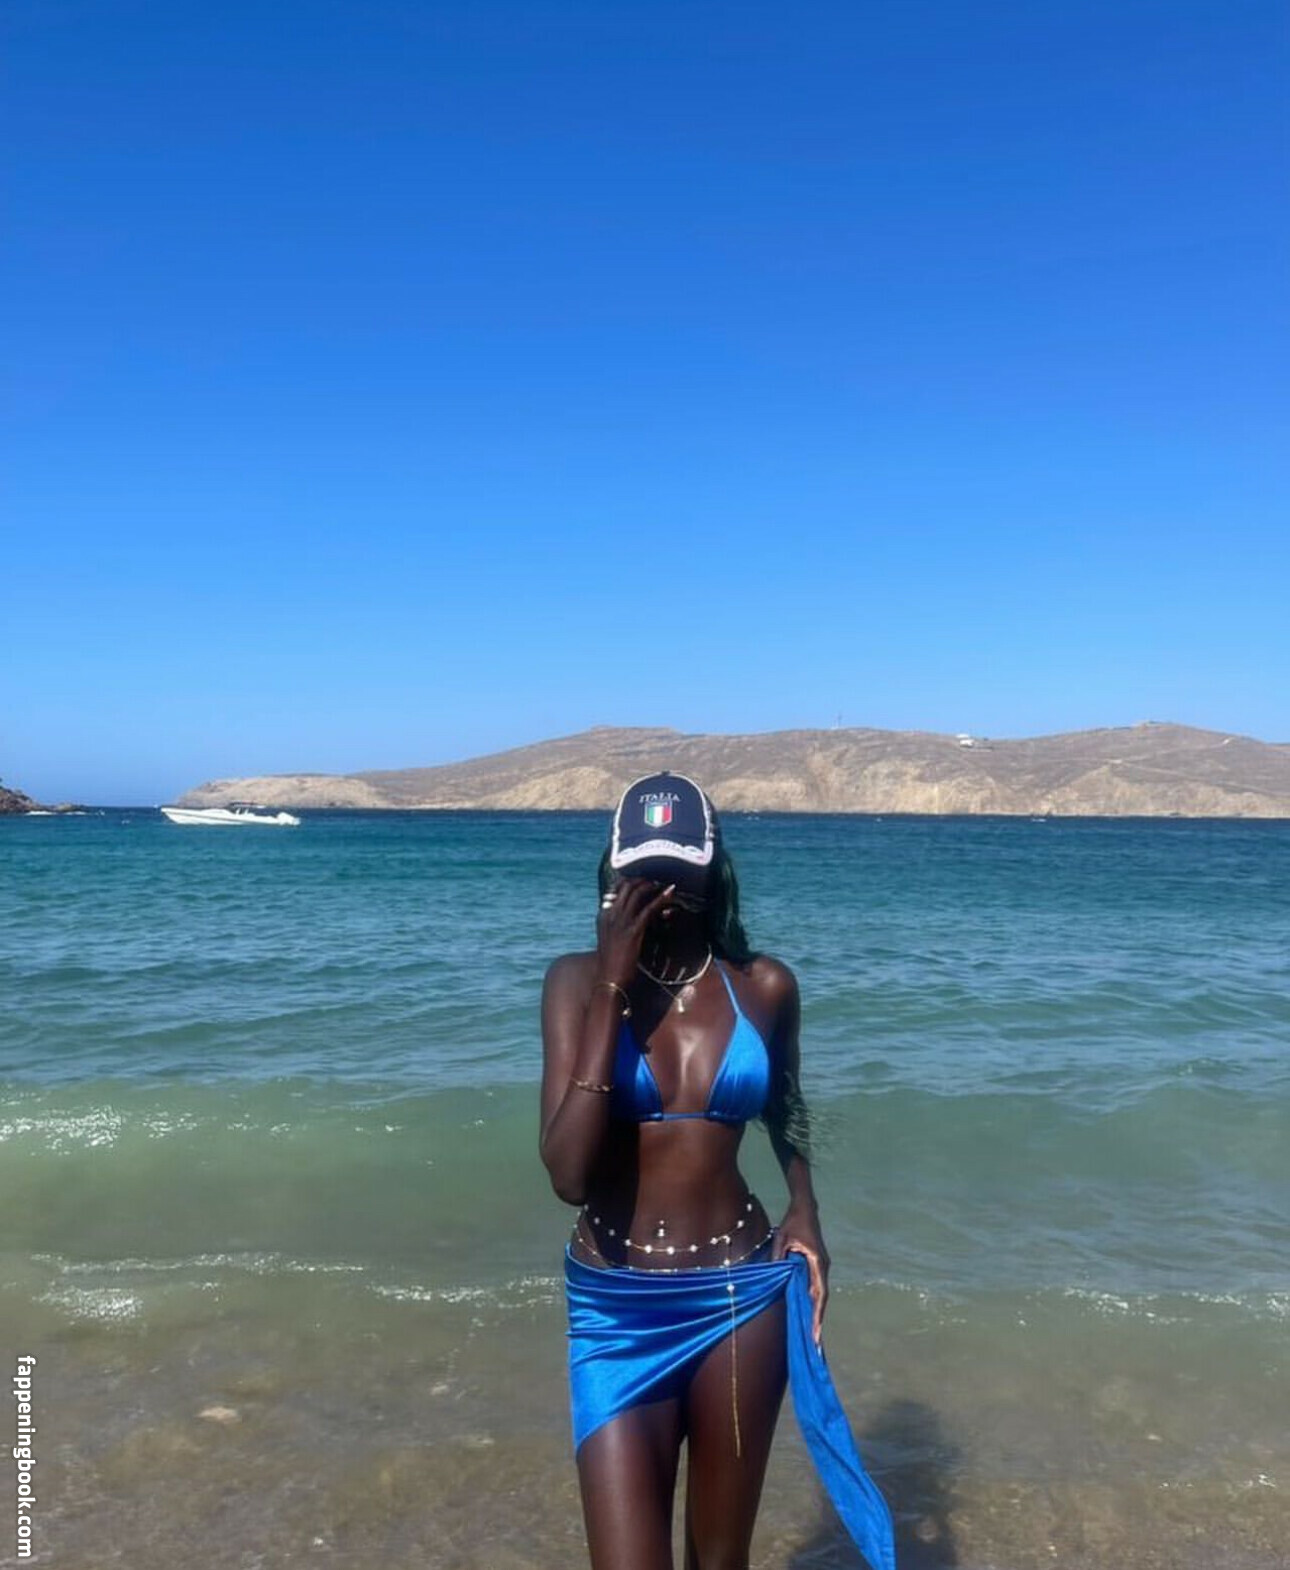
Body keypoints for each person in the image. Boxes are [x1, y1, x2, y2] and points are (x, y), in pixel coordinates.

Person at [539, 772, 895, 1570]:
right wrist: (612, 983)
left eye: (680, 873)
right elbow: (568, 1174)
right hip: (614, 1306)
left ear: (714, 871)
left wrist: (805, 1208)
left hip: (739, 1299)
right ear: (614, 875)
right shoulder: (574, 983)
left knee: (720, 1560)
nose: (663, 893)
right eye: (645, 875)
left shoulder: (764, 987)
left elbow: (785, 1104)